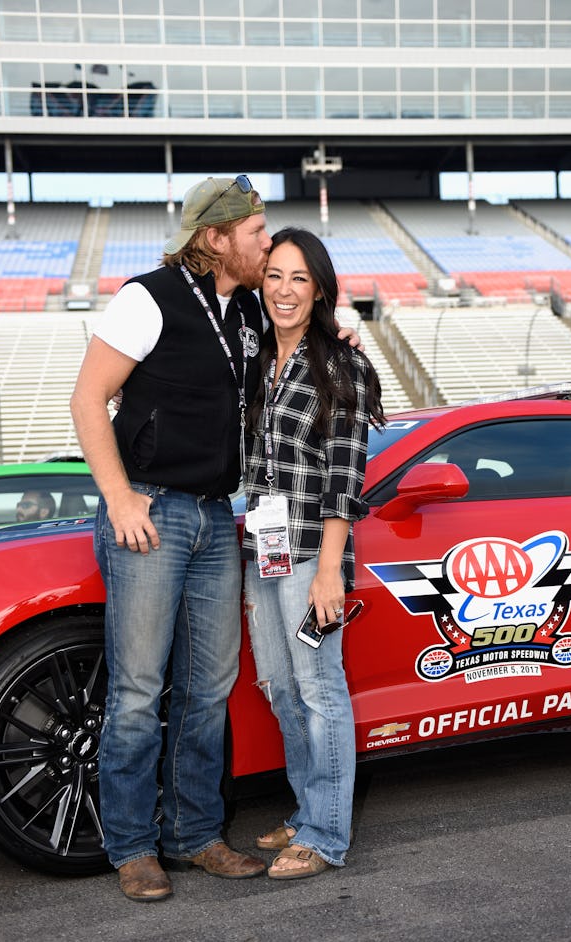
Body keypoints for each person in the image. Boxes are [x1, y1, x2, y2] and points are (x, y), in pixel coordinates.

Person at [70, 176, 361, 903]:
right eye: (258, 233)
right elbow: (86, 397)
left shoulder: (246, 315)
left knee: (208, 691)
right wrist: (119, 496)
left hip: (216, 519)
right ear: (216, 238)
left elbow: (311, 345)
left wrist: (343, 328)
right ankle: (134, 847)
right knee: (139, 693)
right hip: (153, 514)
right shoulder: (148, 297)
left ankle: (195, 834)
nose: (267, 246)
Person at [242, 227, 384, 880]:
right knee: (278, 686)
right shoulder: (257, 357)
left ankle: (326, 834)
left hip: (308, 555)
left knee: (319, 687)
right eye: (274, 275)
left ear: (319, 288)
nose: (285, 289)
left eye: (299, 277)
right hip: (263, 548)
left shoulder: (341, 364)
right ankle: (306, 810)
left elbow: (344, 475)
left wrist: (330, 570)